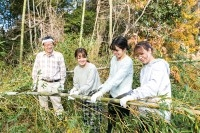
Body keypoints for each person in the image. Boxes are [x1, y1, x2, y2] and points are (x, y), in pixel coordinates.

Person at [120, 41, 171, 125]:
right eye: (137, 55)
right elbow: (144, 88)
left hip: (158, 112)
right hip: (146, 111)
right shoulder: (144, 69)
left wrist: (134, 95)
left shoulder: (159, 66)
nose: (140, 57)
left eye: (142, 53)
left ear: (149, 51)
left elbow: (152, 87)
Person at [90, 36, 133, 133]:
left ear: (124, 49)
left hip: (123, 97)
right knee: (110, 123)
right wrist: (104, 85)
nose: (115, 53)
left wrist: (101, 93)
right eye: (113, 50)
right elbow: (111, 76)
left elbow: (116, 80)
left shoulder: (128, 62)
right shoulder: (113, 59)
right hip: (112, 95)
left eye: (117, 50)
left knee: (123, 124)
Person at [68, 48, 102, 133]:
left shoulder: (91, 67)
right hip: (84, 96)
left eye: (84, 57)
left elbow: (89, 84)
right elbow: (76, 84)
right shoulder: (76, 69)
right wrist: (73, 90)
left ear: (86, 57)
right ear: (76, 58)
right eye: (79, 57)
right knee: (86, 120)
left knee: (94, 122)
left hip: (94, 95)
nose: (82, 59)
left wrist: (78, 92)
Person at [32, 36, 66, 117]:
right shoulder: (39, 56)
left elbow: (63, 71)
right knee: (43, 105)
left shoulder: (59, 55)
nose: (49, 46)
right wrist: (34, 83)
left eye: (51, 44)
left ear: (53, 44)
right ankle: (45, 123)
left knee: (57, 104)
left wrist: (61, 84)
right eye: (47, 45)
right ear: (43, 46)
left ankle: (60, 122)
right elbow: (35, 70)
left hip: (55, 83)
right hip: (42, 83)